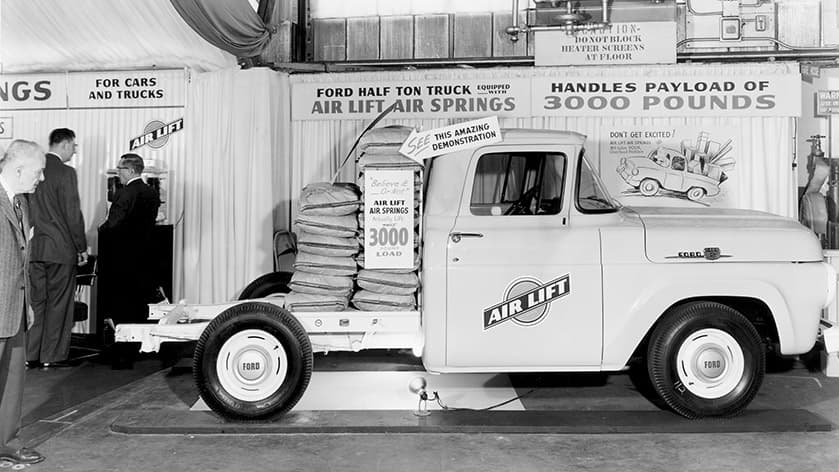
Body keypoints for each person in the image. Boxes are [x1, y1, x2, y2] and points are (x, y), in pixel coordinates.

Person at [0, 140, 46, 466]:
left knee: (13, 382)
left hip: (14, 308)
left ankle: (7, 443)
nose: (41, 178)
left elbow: (20, 258)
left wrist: (27, 302)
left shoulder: (21, 202)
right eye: (37, 171)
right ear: (18, 169)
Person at [27, 129, 88, 370]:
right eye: (73, 146)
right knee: (59, 303)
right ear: (64, 144)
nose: (74, 151)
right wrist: (81, 246)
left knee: (36, 302)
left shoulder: (33, 168)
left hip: (34, 249)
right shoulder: (66, 172)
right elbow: (72, 213)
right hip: (60, 249)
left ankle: (30, 354)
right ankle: (51, 355)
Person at [98, 153, 160, 368]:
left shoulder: (124, 193)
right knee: (138, 304)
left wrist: (100, 231)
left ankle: (121, 355)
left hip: (121, 259)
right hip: (143, 258)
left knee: (121, 306)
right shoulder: (151, 193)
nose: (118, 173)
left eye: (120, 169)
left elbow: (112, 225)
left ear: (131, 170)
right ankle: (136, 350)